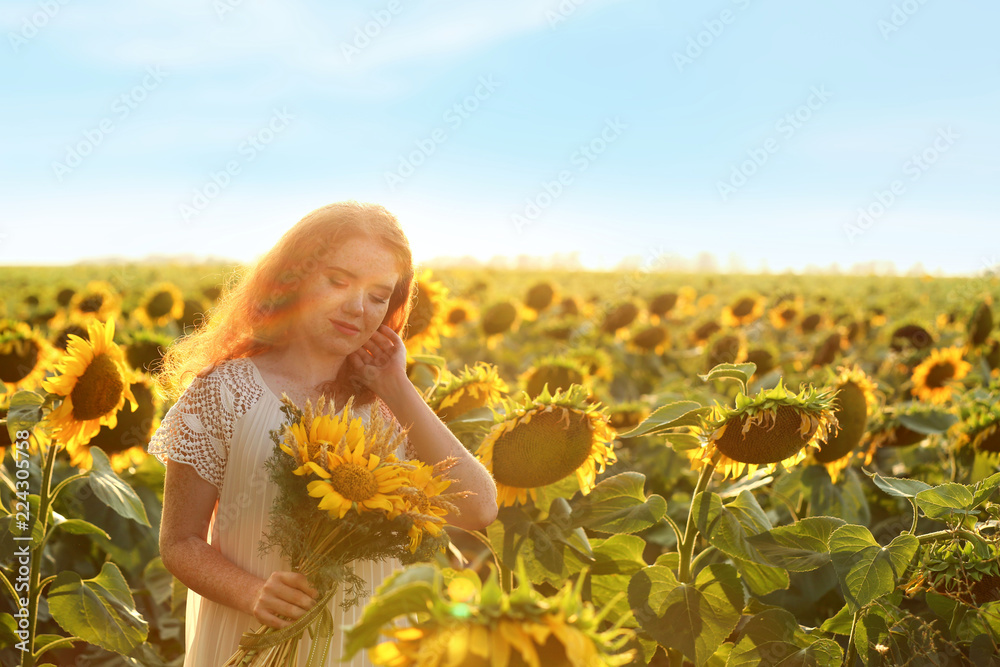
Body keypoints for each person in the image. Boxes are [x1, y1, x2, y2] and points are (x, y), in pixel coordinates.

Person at [151, 201, 499, 666]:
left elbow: (478, 508)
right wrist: (252, 592)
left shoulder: (389, 408)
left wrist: (396, 387)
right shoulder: (227, 391)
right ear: (293, 277)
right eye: (338, 281)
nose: (357, 307)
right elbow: (180, 542)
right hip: (251, 638)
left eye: (378, 296)